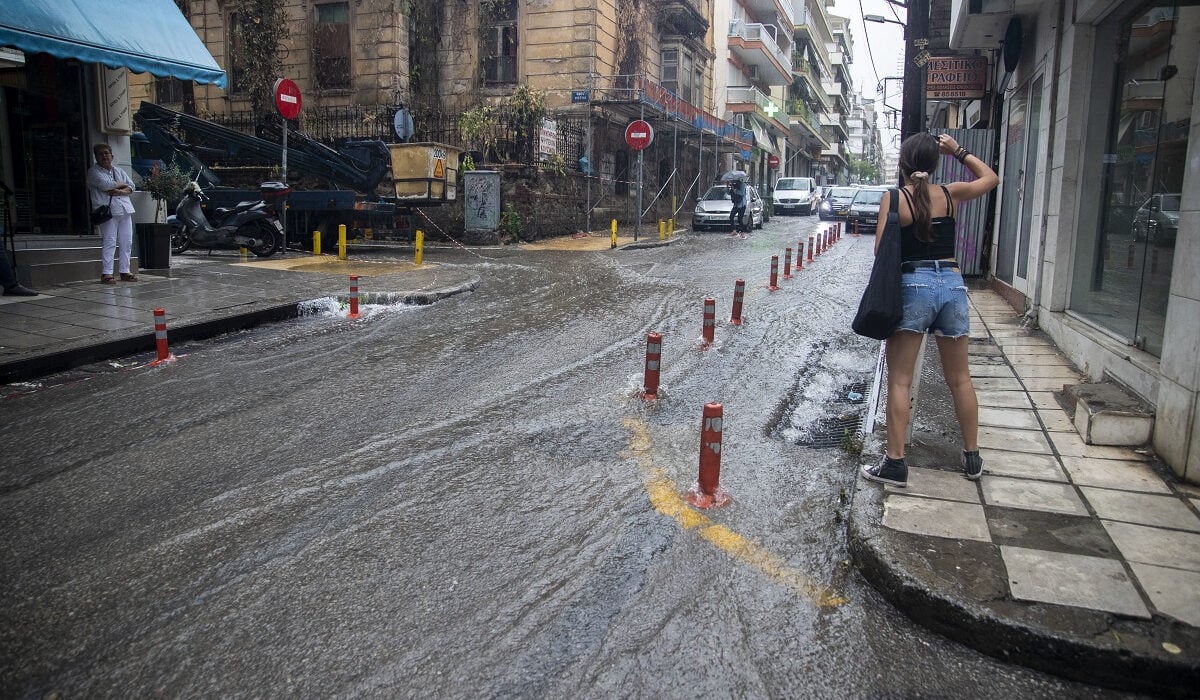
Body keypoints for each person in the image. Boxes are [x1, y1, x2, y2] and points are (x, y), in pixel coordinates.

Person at [861, 132, 999, 488]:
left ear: (903, 164)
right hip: (952, 285)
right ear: (935, 164)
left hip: (914, 285)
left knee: (900, 379)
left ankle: (895, 464)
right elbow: (990, 178)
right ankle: (971, 458)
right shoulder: (950, 194)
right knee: (961, 379)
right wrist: (959, 151)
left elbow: (880, 251)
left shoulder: (894, 199)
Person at [86, 143, 138, 284]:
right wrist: (122, 185)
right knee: (110, 241)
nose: (104, 156)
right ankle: (107, 273)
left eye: (106, 153)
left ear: (112, 156)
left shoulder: (119, 171)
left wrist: (120, 191)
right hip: (108, 211)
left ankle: (124, 271)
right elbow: (106, 185)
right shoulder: (94, 172)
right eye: (100, 154)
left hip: (125, 209)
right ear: (96, 157)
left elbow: (132, 187)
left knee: (126, 242)